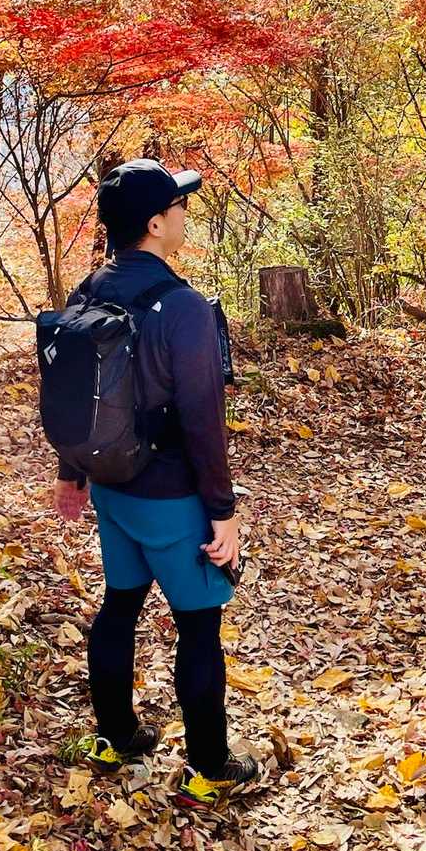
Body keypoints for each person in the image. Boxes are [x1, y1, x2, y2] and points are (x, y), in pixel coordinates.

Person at [52, 158, 258, 810]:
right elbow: (203, 419)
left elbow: (71, 393)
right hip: (172, 496)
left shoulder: (88, 290)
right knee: (198, 626)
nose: (184, 213)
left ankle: (115, 739)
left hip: (113, 490)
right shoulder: (184, 307)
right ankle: (208, 769)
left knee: (120, 605)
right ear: (154, 223)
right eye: (178, 205)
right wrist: (222, 511)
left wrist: (73, 474)